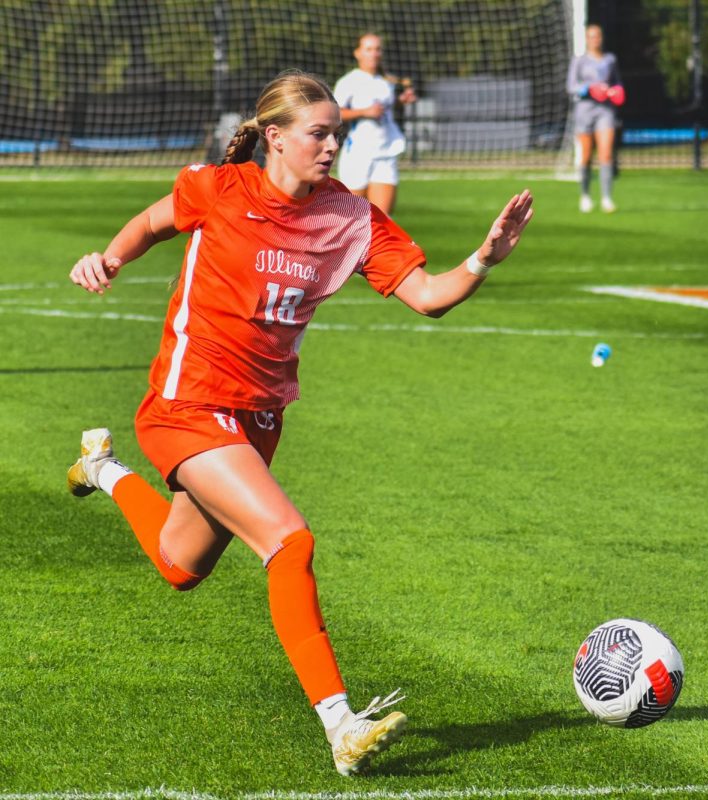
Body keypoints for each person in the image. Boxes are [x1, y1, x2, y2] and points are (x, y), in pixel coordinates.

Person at [66, 70, 534, 776]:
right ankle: (341, 725)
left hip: (256, 420)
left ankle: (102, 467)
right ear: (275, 138)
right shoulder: (220, 188)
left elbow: (428, 296)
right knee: (290, 541)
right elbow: (154, 222)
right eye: (319, 134)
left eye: (337, 135)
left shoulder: (349, 216)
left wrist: (483, 258)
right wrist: (109, 258)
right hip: (186, 403)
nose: (331, 147)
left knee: (179, 567)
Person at [333, 32, 419, 217]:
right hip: (358, 154)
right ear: (358, 53)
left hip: (385, 153)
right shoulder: (348, 82)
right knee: (353, 219)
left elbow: (385, 107)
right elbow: (334, 113)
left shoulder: (386, 82)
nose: (374, 53)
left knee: (382, 220)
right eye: (369, 49)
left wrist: (401, 101)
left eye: (377, 49)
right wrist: (364, 112)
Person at [567, 23, 623, 213]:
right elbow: (571, 86)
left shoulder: (610, 59)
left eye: (597, 35)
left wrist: (615, 91)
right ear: (587, 39)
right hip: (584, 111)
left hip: (605, 111)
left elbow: (617, 83)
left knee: (606, 154)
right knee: (586, 156)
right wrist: (589, 90)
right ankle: (585, 195)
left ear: (601, 37)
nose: (595, 39)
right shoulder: (579, 60)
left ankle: (607, 198)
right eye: (591, 36)